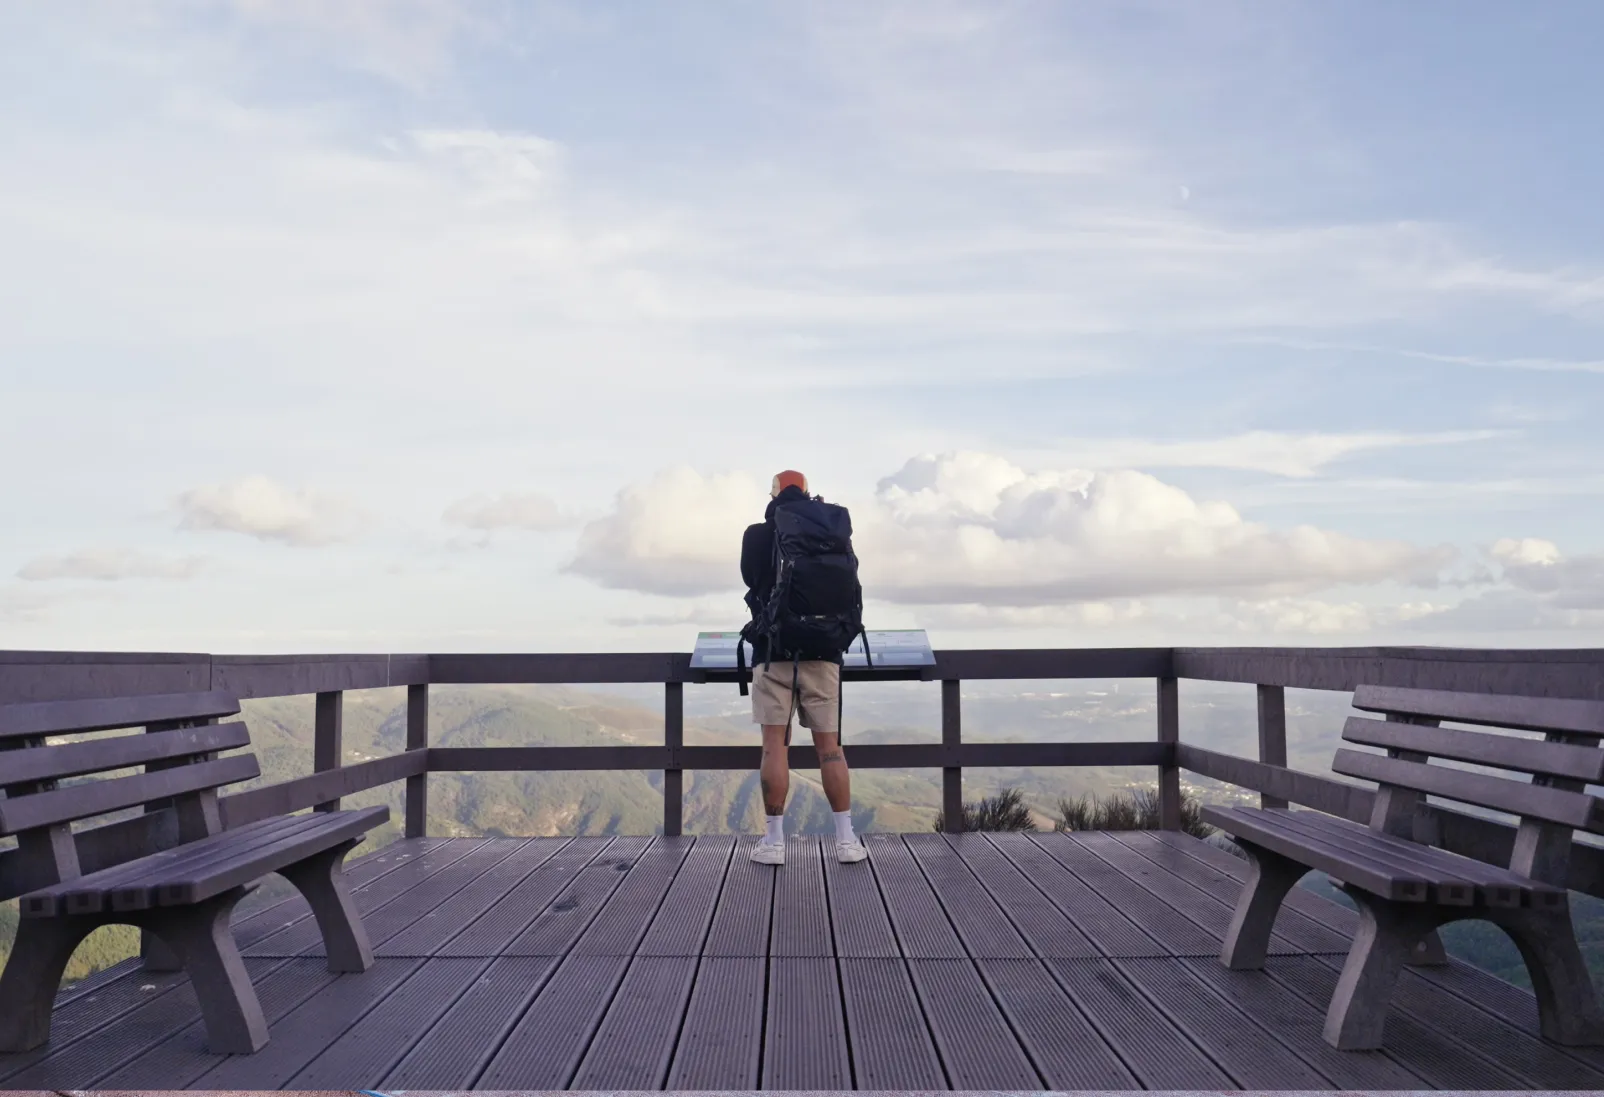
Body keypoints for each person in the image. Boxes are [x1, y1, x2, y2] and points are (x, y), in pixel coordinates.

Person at [740, 470, 868, 866]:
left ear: (773, 495)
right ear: (809, 494)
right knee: (830, 749)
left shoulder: (757, 535)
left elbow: (751, 580)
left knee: (774, 747)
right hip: (824, 651)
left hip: (773, 650)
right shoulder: (831, 532)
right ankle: (846, 841)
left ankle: (774, 843)